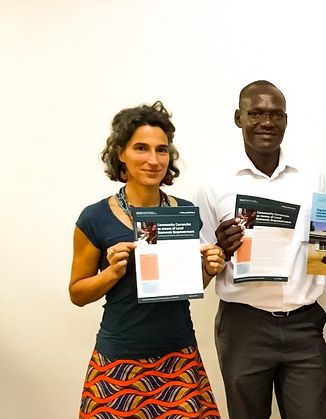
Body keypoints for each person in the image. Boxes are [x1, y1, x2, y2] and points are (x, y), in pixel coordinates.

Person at [69, 101, 225, 418]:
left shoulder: (184, 214)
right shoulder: (95, 218)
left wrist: (208, 271)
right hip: (118, 361)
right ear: (120, 155)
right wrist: (111, 273)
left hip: (179, 360)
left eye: (162, 150)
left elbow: (187, 285)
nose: (154, 160)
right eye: (141, 148)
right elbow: (77, 293)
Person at [193, 80, 326, 419]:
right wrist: (220, 251)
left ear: (286, 120)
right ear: (238, 118)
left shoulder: (313, 178)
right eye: (256, 113)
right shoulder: (215, 184)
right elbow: (199, 272)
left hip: (304, 325)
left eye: (276, 115)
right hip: (244, 327)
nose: (267, 123)